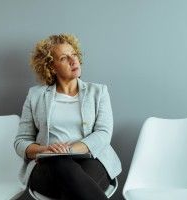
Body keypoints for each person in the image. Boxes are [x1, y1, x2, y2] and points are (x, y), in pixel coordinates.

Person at [13, 33, 122, 200]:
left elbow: (103, 134)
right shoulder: (35, 95)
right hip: (49, 166)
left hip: (93, 160)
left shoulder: (98, 92)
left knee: (74, 185)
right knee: (62, 165)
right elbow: (21, 142)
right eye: (64, 58)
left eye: (74, 54)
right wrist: (46, 150)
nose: (74, 60)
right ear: (51, 67)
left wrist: (69, 150)